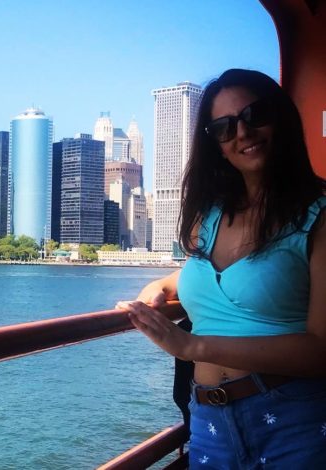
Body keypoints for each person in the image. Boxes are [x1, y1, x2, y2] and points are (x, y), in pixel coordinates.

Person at [116, 68, 326, 468]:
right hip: (209, 420)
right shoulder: (208, 216)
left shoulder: (318, 217)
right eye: (224, 128)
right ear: (216, 145)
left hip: (295, 418)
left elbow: (322, 349)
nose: (242, 133)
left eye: (254, 115)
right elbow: (214, 276)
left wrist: (194, 346)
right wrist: (162, 285)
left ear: (280, 118)